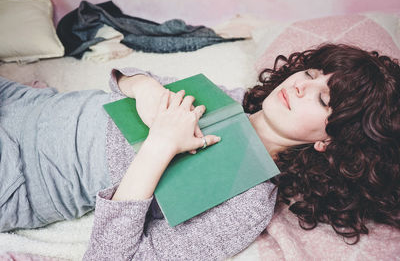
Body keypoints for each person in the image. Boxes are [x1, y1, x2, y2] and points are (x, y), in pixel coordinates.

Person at [0, 43, 399, 259]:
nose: (300, 85)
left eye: (324, 98)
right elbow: (120, 81)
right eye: (311, 73)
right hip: (21, 101)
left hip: (18, 172)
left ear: (329, 141)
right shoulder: (230, 97)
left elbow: (111, 256)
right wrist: (144, 88)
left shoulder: (249, 201)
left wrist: (160, 146)